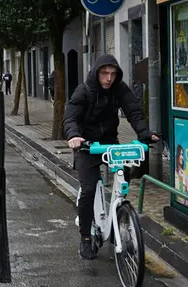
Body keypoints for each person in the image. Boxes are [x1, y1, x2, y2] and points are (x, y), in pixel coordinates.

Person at [64, 54, 159, 260]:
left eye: (113, 74)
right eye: (105, 73)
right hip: (86, 146)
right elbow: (71, 116)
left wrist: (144, 133)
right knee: (89, 189)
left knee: (122, 179)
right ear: (97, 72)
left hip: (110, 144)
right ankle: (85, 239)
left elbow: (134, 112)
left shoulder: (119, 89)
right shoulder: (84, 90)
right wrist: (73, 135)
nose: (109, 78)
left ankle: (118, 221)